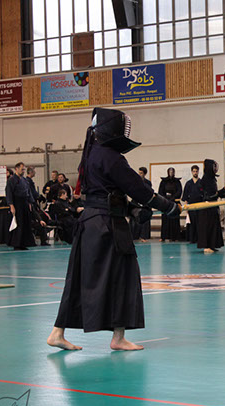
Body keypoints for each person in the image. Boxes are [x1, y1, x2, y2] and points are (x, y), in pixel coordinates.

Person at [48, 107, 180, 351]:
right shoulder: (111, 157)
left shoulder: (91, 154)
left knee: (78, 278)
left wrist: (131, 210)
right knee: (124, 275)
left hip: (90, 223)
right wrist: (169, 207)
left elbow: (107, 193)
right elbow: (138, 189)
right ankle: (118, 338)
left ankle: (57, 333)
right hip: (108, 226)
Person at [6, 162, 37, 250]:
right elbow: (9, 193)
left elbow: (28, 192)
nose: (23, 171)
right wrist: (11, 205)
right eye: (22, 169)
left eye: (24, 169)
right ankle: (17, 244)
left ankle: (24, 243)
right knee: (19, 223)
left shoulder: (25, 180)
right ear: (16, 169)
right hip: (17, 203)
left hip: (25, 202)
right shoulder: (11, 180)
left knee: (26, 223)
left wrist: (30, 202)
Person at [197, 159, 225, 253]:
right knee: (207, 226)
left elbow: (215, 193)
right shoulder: (206, 179)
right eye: (214, 166)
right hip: (207, 207)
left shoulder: (212, 178)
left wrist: (223, 191)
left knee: (213, 226)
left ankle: (212, 245)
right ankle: (207, 246)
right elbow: (209, 195)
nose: (215, 169)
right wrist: (221, 192)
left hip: (213, 206)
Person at [158, 167, 182, 242]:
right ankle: (164, 236)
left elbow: (179, 191)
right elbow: (160, 192)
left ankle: (175, 237)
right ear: (168, 172)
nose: (171, 173)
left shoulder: (177, 182)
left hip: (174, 202)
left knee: (174, 220)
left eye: (172, 172)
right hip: (166, 203)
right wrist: (165, 198)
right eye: (170, 172)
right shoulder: (163, 182)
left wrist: (173, 198)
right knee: (165, 220)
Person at [130, 167, 152, 241]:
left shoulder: (148, 182)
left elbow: (149, 191)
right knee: (134, 219)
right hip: (136, 201)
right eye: (139, 173)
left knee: (144, 219)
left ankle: (143, 236)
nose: (139, 174)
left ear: (144, 174)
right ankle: (134, 236)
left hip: (144, 201)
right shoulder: (135, 181)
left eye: (141, 173)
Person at [182, 165, 202, 243]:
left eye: (196, 171)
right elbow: (185, 196)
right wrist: (186, 207)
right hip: (191, 205)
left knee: (199, 222)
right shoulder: (188, 183)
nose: (195, 173)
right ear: (191, 172)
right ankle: (192, 239)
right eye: (194, 171)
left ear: (198, 172)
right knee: (192, 222)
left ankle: (199, 239)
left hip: (200, 205)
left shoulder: (201, 182)